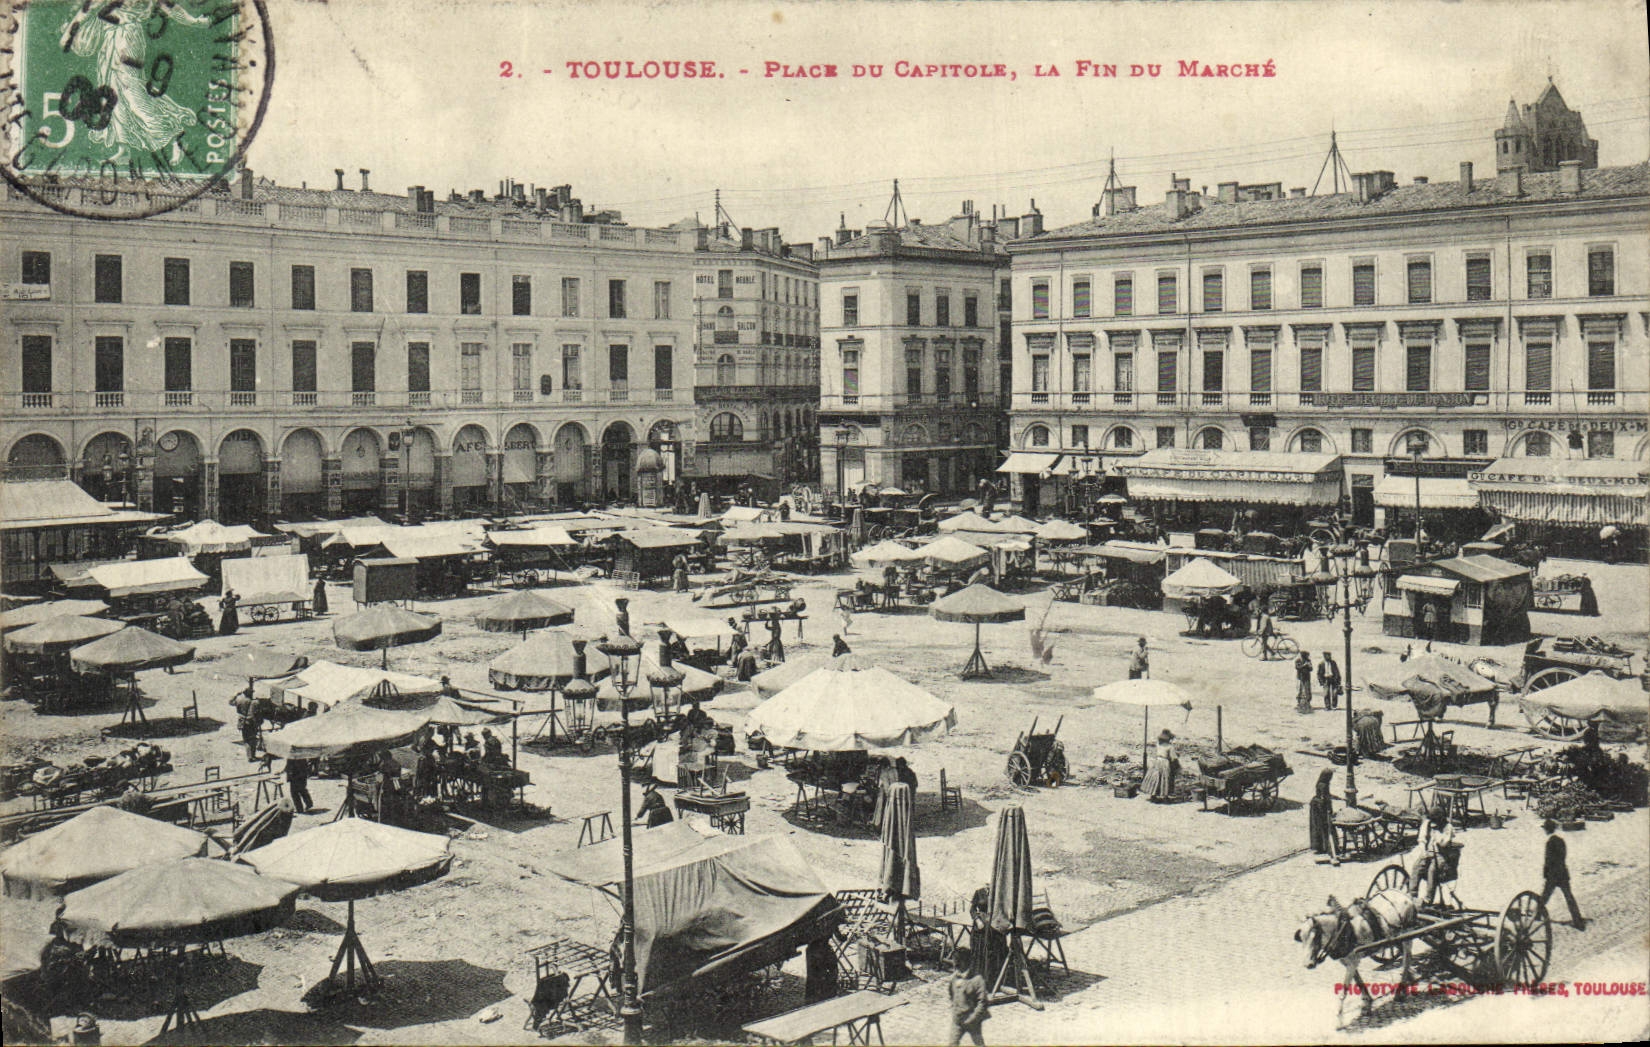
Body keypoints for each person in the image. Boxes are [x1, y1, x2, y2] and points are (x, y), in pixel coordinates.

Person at [1541, 819, 1586, 929]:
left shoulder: (1550, 842)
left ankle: (1537, 914)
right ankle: (1577, 919)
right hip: (1562, 872)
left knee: (1545, 895)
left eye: (1545, 829)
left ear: (1548, 829)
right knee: (1568, 897)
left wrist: (1546, 872)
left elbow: (1548, 860)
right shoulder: (1561, 840)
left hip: (1553, 874)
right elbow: (1562, 856)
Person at [946, 947, 989, 1046]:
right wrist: (954, 1007)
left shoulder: (977, 980)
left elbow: (983, 1002)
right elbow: (951, 993)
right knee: (952, 1044)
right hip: (957, 1020)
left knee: (979, 1044)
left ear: (965, 962)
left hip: (972, 1021)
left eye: (957, 961)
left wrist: (973, 1018)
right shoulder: (954, 978)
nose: (955, 964)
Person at [1308, 768, 1340, 866]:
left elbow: (1326, 795)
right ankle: (1330, 849)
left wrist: (1334, 797)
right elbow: (1323, 798)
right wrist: (1328, 809)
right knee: (1325, 828)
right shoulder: (1323, 785)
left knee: (1320, 828)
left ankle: (1320, 847)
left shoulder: (1322, 783)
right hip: (1319, 809)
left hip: (1318, 807)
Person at [1141, 729, 1177, 802]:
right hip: (1165, 762)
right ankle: (1165, 796)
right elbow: (1173, 757)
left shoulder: (1158, 744)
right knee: (1165, 778)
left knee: (1155, 778)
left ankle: (1153, 794)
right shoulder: (1170, 747)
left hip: (1157, 761)